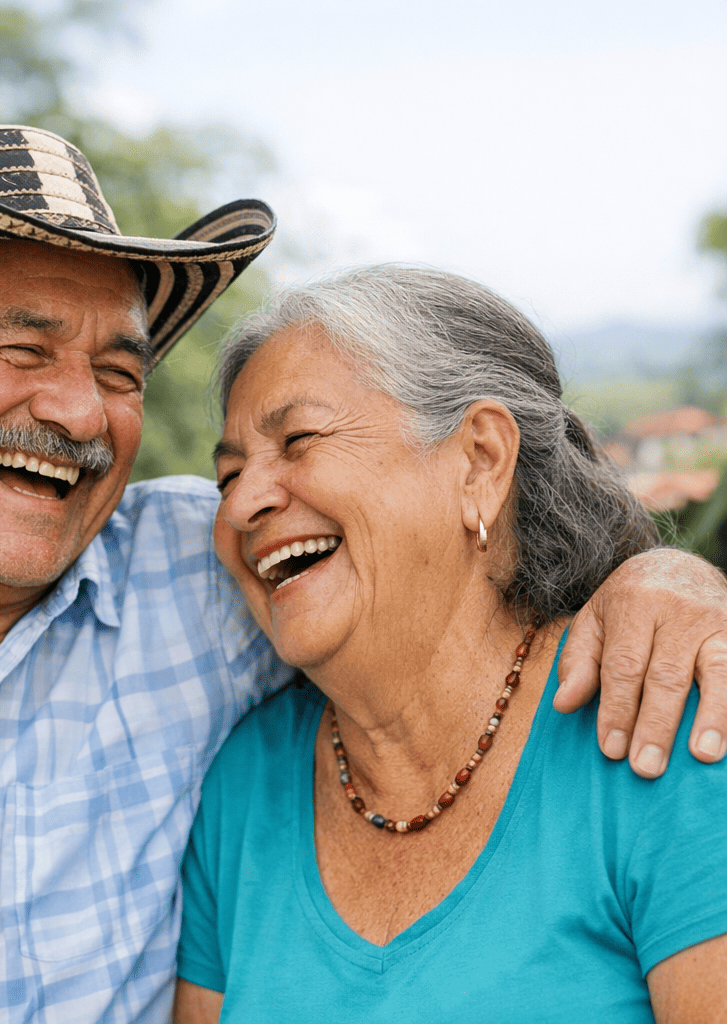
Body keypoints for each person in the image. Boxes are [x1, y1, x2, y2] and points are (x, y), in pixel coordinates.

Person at [0, 127, 723, 1024]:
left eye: (119, 371)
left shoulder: (198, 572)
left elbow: (441, 589)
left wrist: (666, 577)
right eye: (22, 347)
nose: (80, 412)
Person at [173, 265, 727, 1023]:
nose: (240, 503)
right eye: (228, 476)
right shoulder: (245, 783)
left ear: (480, 463)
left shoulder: (662, 723)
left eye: (298, 441)